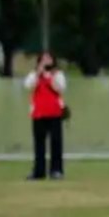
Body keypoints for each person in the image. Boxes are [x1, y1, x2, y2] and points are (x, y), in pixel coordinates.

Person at [23, 51, 67, 180]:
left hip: (54, 112)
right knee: (39, 144)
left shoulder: (57, 74)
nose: (46, 61)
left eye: (49, 59)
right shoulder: (34, 75)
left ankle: (56, 170)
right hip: (39, 113)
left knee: (56, 143)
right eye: (44, 59)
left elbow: (60, 88)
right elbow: (28, 86)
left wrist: (50, 77)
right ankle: (39, 171)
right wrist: (39, 73)